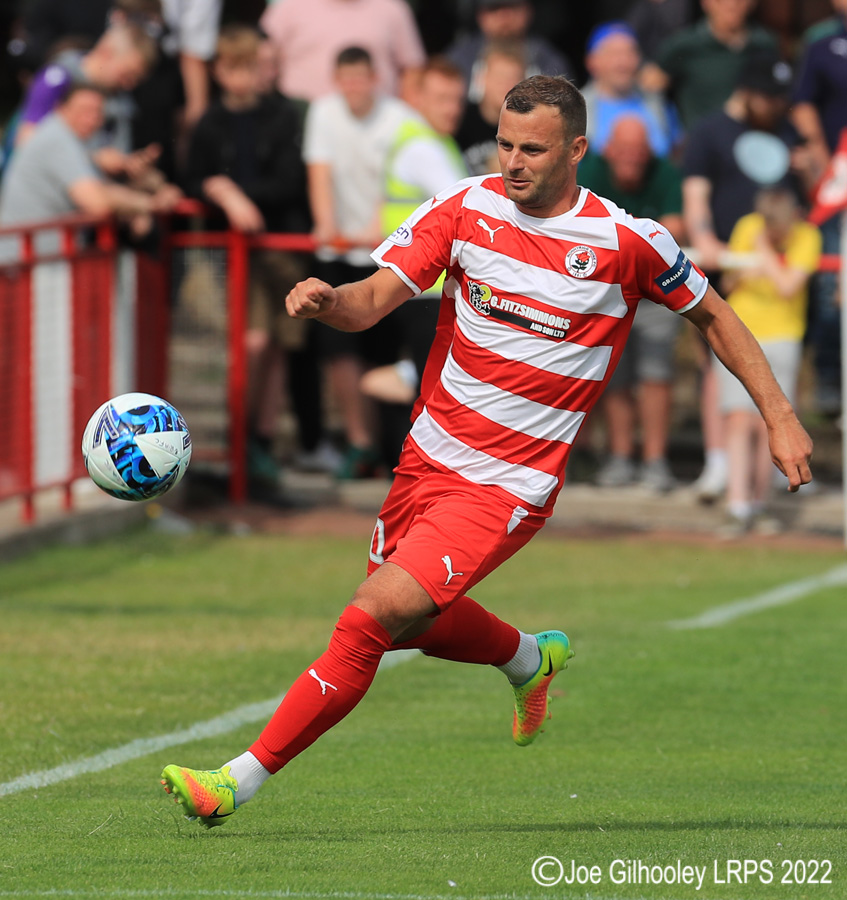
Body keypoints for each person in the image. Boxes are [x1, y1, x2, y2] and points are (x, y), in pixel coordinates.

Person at [160, 75, 813, 828]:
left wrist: (779, 416)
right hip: (426, 460)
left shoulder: (626, 242)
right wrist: (327, 300)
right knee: (407, 624)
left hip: (506, 484)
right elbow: (374, 298)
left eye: (531, 148)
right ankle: (527, 658)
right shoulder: (465, 208)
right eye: (503, 143)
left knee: (368, 620)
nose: (512, 161)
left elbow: (716, 317)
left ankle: (234, 783)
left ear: (575, 149)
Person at [185, 24, 312, 490]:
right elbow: (192, 178)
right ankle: (240, 440)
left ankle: (261, 441)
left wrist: (236, 194)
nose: (246, 78)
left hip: (279, 244)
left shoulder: (281, 116)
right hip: (237, 253)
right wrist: (221, 192)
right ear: (219, 71)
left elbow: (288, 182)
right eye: (236, 68)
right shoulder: (211, 122)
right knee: (254, 343)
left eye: (252, 68)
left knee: (280, 345)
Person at [682, 48, 805, 502]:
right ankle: (719, 463)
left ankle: (772, 465)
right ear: (748, 91)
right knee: (718, 366)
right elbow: (696, 193)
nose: (776, 105)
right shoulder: (711, 131)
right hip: (728, 268)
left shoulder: (786, 129)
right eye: (768, 97)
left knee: (775, 365)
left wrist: (809, 170)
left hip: (777, 275)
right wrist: (705, 240)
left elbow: (801, 198)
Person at [302, 46, 411, 478]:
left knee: (380, 353)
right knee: (339, 351)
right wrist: (327, 225)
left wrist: (377, 228)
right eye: (345, 78)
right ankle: (358, 441)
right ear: (337, 80)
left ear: (374, 78)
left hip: (382, 253)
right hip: (338, 252)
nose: (353, 88)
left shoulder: (398, 117)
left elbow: (398, 175)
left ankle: (384, 446)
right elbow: (320, 173)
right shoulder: (323, 113)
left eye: (360, 78)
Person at [579, 115, 685, 491]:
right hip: (607, 292)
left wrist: (619, 247)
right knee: (614, 378)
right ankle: (620, 457)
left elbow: (676, 227)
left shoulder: (665, 172)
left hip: (655, 291)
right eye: (625, 151)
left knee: (657, 376)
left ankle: (655, 461)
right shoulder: (590, 170)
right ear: (609, 150)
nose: (632, 159)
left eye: (639, 152)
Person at [717, 187, 822, 536]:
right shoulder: (748, 226)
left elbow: (788, 286)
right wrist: (749, 264)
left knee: (771, 423)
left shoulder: (807, 237)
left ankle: (759, 504)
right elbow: (728, 283)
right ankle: (737, 504)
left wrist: (763, 254)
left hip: (783, 337)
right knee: (737, 419)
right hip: (741, 334)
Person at [0, 85, 179, 260]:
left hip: (35, 260)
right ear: (61, 108)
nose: (91, 119)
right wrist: (151, 204)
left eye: (97, 112)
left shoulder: (70, 140)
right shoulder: (58, 140)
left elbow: (101, 189)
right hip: (25, 265)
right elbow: (97, 201)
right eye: (84, 110)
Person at [791, 0, 847, 417]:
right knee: (831, 284)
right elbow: (804, 102)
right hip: (838, 181)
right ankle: (831, 375)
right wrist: (827, 163)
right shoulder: (823, 44)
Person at [642, 0, 780, 130]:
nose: (730, 5)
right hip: (699, 143)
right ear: (706, 3)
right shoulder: (685, 45)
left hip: (749, 141)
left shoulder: (764, 44)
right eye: (721, 0)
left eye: (738, 0)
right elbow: (650, 85)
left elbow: (780, 96)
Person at [259, 0, 426, 103]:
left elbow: (413, 70)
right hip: (301, 127)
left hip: (376, 130)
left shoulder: (393, 8)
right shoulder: (288, 7)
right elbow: (259, 58)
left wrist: (405, 116)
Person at [581, 21, 680, 159]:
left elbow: (676, 151)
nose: (623, 62)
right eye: (613, 54)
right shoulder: (578, 110)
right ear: (591, 62)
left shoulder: (658, 104)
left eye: (630, 52)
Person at [445, 0, 572, 104]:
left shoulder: (549, 61)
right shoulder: (457, 61)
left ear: (528, 11)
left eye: (513, 7)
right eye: (494, 8)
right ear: (480, 15)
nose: (504, 17)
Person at [455, 39, 526, 177]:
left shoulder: (529, 125)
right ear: (482, 78)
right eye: (499, 77)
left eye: (513, 79)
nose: (506, 85)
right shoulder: (459, 118)